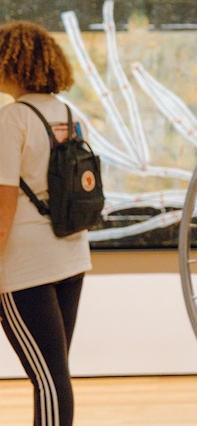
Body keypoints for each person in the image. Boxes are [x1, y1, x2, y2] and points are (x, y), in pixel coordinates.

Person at [0, 21, 91, 426]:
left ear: (12, 62)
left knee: (48, 378)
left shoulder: (11, 119)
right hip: (71, 255)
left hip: (23, 266)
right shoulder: (71, 115)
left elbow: (2, 208)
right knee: (54, 373)